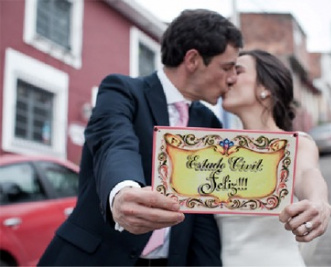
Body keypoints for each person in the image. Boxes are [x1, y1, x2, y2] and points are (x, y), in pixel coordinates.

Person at [38, 9, 243, 266]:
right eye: (227, 67)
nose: (233, 78)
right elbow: (115, 142)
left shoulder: (209, 123)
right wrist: (124, 192)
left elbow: (202, 217)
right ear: (192, 60)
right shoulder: (122, 91)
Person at [216, 49, 331, 266]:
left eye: (237, 71)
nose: (228, 78)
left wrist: (319, 202)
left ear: (265, 88)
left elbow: (308, 173)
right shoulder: (216, 151)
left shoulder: (296, 144)